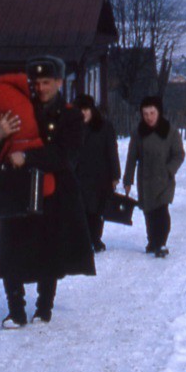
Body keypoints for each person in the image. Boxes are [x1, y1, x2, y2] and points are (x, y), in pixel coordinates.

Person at [0, 55, 95, 328]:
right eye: (37, 82)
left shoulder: (70, 116)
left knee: (50, 249)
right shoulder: (20, 108)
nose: (41, 88)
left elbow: (65, 156)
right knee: (10, 247)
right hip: (16, 188)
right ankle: (15, 311)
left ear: (59, 82)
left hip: (54, 193)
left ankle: (44, 308)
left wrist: (29, 157)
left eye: (47, 82)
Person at [123, 96, 184, 258]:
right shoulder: (138, 132)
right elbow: (131, 158)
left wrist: (169, 170)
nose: (149, 117)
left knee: (162, 211)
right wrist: (128, 180)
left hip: (164, 179)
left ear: (159, 112)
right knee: (149, 212)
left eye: (152, 113)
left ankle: (161, 243)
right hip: (146, 179)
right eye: (145, 114)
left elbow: (179, 154)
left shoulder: (170, 131)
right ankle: (152, 241)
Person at [73, 93, 121, 252]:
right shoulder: (72, 128)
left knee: (97, 211)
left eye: (86, 109)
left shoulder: (104, 126)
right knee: (81, 209)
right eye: (80, 110)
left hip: (100, 176)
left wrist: (115, 175)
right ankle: (84, 240)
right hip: (79, 176)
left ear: (92, 110)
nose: (83, 113)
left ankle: (95, 239)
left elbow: (112, 151)